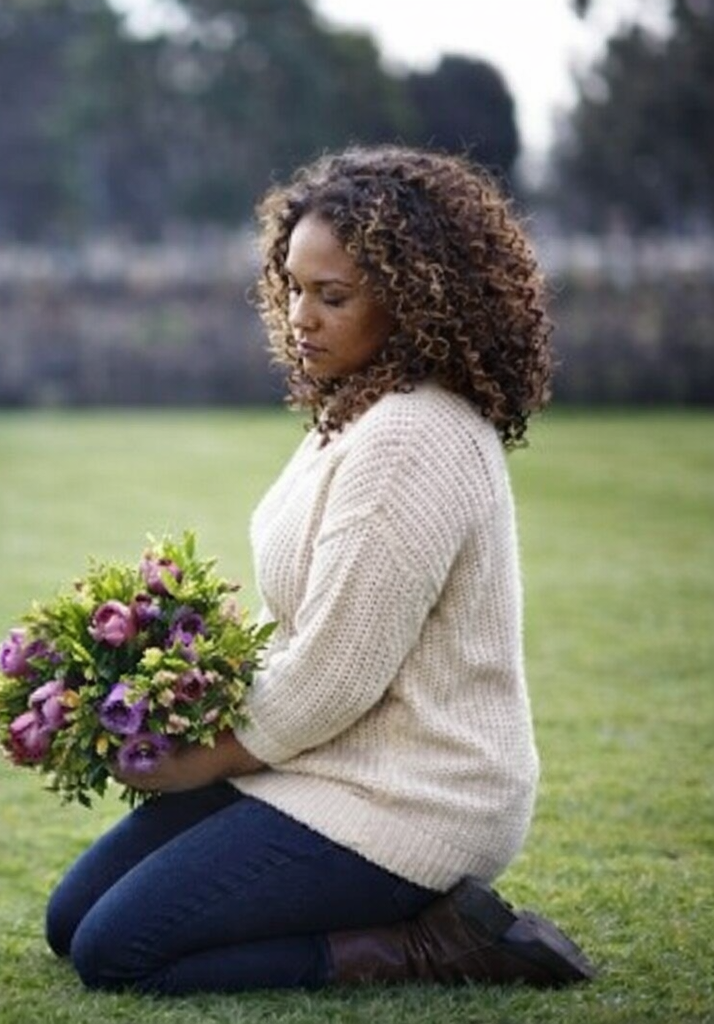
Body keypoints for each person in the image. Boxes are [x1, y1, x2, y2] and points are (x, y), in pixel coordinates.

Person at [43, 145, 597, 994]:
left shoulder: (413, 438)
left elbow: (334, 676)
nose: (301, 316)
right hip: (321, 767)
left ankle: (430, 946)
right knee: (70, 918)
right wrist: (179, 688)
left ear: (416, 301)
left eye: (332, 296)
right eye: (293, 287)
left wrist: (203, 756)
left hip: (415, 795)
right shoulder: (354, 412)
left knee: (118, 951)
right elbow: (307, 634)